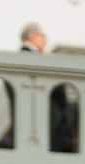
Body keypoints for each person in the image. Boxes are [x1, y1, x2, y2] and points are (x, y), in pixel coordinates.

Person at [19, 23, 77, 154]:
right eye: (44, 37)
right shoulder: (33, 59)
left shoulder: (27, 58)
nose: (46, 42)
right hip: (47, 124)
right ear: (33, 36)